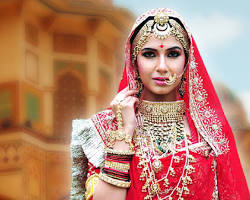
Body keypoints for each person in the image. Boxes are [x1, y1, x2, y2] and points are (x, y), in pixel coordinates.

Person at [70, 8, 250, 200]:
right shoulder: (105, 128)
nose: (162, 67)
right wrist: (123, 133)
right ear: (134, 61)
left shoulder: (209, 131)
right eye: (149, 54)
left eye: (173, 54)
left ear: (187, 61)